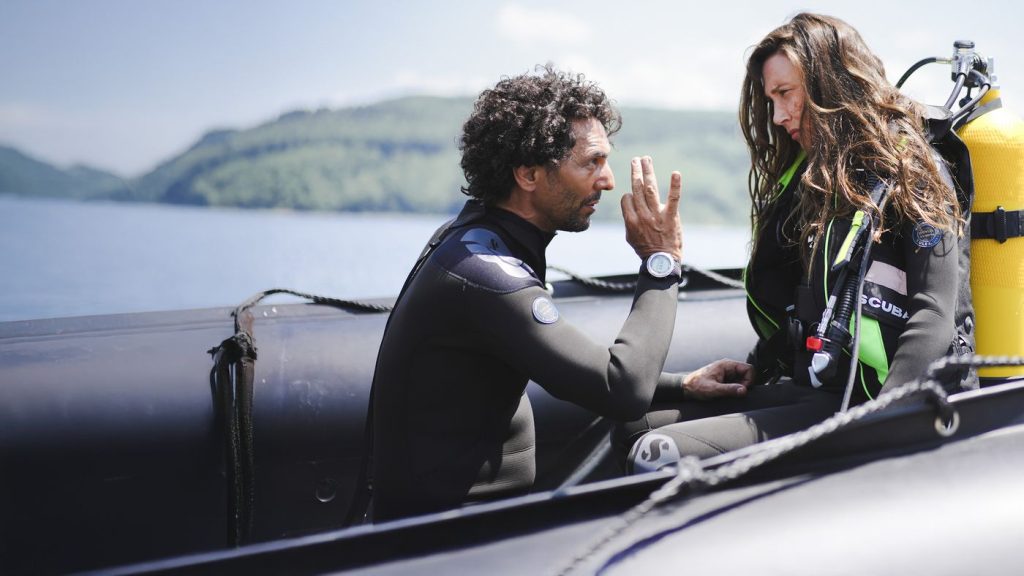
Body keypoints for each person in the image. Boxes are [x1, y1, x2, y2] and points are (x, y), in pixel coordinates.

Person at [366, 65, 750, 522]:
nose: (607, 181)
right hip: (447, 535)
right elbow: (621, 389)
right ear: (528, 175)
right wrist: (660, 260)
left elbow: (573, 369)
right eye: (591, 163)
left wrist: (682, 385)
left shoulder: (474, 237)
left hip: (473, 520)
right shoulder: (483, 274)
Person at [622, 12, 977, 472]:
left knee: (658, 450)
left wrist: (880, 423)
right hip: (821, 389)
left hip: (878, 402)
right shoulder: (819, 179)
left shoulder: (914, 173)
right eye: (771, 99)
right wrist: (764, 362)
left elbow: (935, 313)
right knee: (634, 422)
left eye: (785, 93)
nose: (777, 115)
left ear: (830, 82)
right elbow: (810, 298)